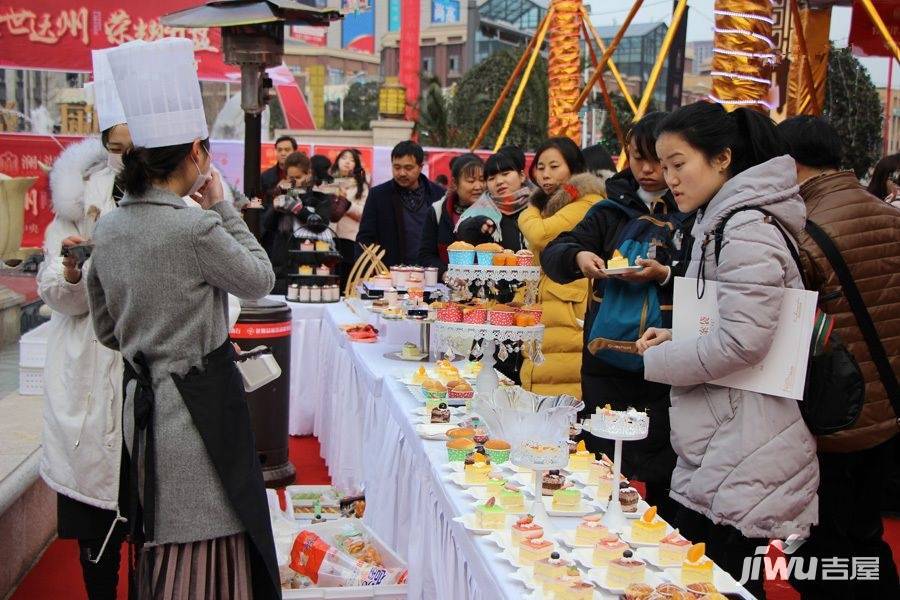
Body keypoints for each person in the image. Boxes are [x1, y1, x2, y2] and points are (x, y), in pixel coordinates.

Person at [88, 37, 278, 598]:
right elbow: (260, 279)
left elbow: (105, 329)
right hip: (200, 415)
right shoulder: (193, 228)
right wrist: (222, 206)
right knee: (209, 543)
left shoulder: (108, 227)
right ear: (196, 152)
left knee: (159, 535)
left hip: (142, 412)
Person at [635, 102, 819, 599]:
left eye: (678, 164)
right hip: (730, 428)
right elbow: (738, 324)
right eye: (663, 165)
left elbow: (743, 340)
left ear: (722, 159)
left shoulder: (744, 227)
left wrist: (660, 362)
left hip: (744, 433)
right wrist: (677, 338)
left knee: (721, 580)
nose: (669, 177)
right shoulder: (727, 219)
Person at [541, 112, 693, 520]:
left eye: (657, 160)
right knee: (602, 466)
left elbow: (710, 285)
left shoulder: (693, 212)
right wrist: (579, 255)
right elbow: (554, 252)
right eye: (637, 157)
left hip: (667, 363)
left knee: (669, 476)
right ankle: (597, 538)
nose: (646, 169)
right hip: (606, 358)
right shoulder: (609, 211)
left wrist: (666, 274)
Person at [777, 115, 900, 598]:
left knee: (826, 543)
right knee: (863, 534)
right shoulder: (889, 214)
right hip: (888, 406)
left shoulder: (806, 231)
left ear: (788, 164)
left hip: (837, 414)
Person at [37, 48, 130, 599]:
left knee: (152, 514)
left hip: (149, 375)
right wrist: (74, 267)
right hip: (91, 372)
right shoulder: (81, 196)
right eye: (117, 140)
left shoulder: (182, 198)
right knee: (96, 519)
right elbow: (56, 294)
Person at [518, 137, 604, 398]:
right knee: (539, 383)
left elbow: (540, 235)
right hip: (546, 308)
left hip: (568, 311)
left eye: (554, 166)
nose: (545, 174)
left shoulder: (587, 202)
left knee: (562, 388)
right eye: (540, 167)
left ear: (574, 169)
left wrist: (529, 208)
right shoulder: (553, 206)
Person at [356, 140, 445, 267]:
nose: (402, 173)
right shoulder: (378, 195)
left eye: (408, 168)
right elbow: (365, 240)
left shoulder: (438, 195)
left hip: (430, 274)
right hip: (389, 275)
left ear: (420, 167)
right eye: (397, 167)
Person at [418, 155, 485, 274]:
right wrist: (446, 273)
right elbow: (426, 256)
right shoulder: (437, 211)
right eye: (471, 181)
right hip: (446, 288)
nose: (478, 186)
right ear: (455, 183)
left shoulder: (495, 215)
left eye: (482, 179)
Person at [455, 151, 530, 251]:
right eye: (491, 178)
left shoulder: (540, 206)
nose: (499, 181)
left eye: (505, 174)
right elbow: (464, 233)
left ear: (521, 176)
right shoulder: (481, 213)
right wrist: (478, 223)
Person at [330, 148, 370, 284]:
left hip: (349, 238)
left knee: (346, 278)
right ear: (337, 162)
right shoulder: (328, 183)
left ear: (356, 165)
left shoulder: (361, 186)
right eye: (344, 158)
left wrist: (347, 205)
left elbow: (363, 213)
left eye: (352, 160)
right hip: (329, 236)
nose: (347, 162)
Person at [260, 134, 297, 202]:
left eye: (287, 150)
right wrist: (276, 190)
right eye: (279, 150)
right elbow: (260, 202)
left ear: (294, 152)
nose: (283, 153)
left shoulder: (303, 175)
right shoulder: (265, 176)